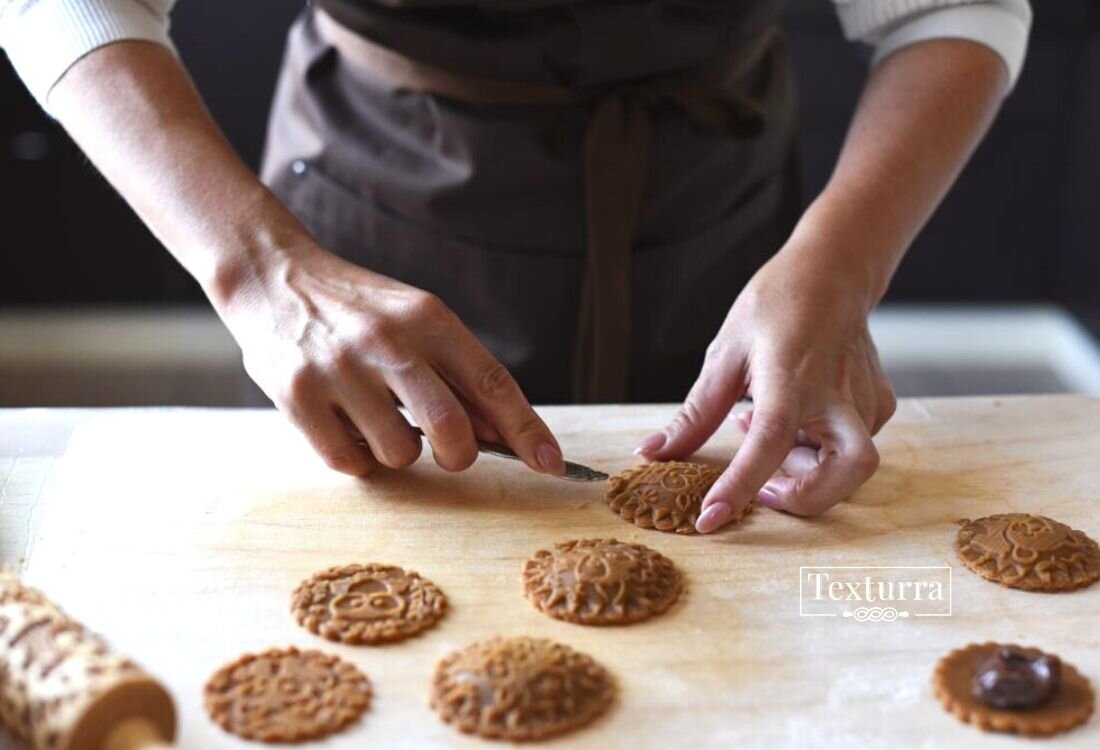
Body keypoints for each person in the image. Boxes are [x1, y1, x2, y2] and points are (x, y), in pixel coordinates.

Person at [0, 0, 1032, 533]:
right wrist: (261, 271)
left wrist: (840, 264)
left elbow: (944, 8)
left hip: (720, 220)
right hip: (373, 207)